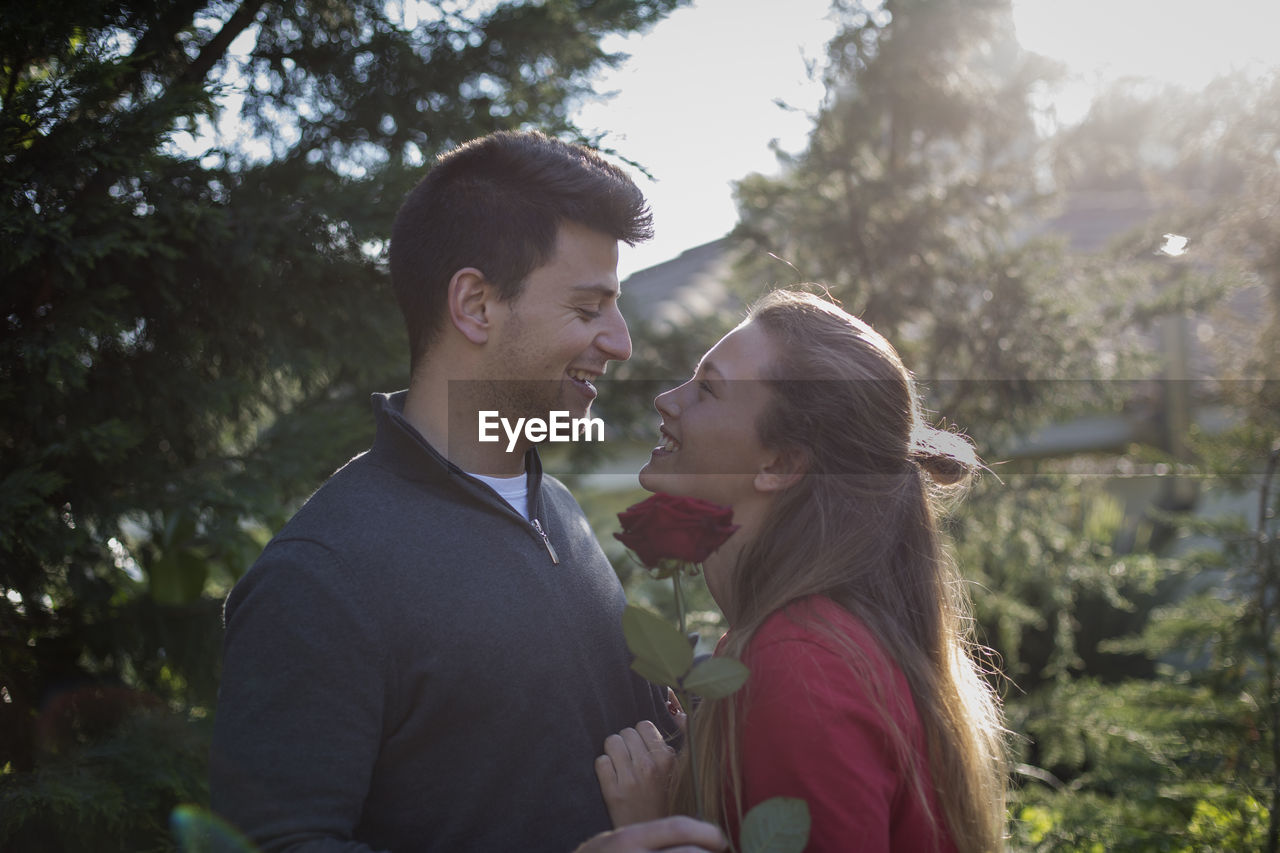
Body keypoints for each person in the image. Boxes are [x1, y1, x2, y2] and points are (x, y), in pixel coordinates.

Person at [210, 130, 716, 852]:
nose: (621, 340)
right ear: (476, 304)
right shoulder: (321, 576)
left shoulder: (561, 514)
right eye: (588, 308)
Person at [594, 288, 1009, 852]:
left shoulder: (800, 664)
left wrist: (654, 838)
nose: (667, 400)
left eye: (708, 389)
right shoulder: (785, 647)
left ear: (781, 463)